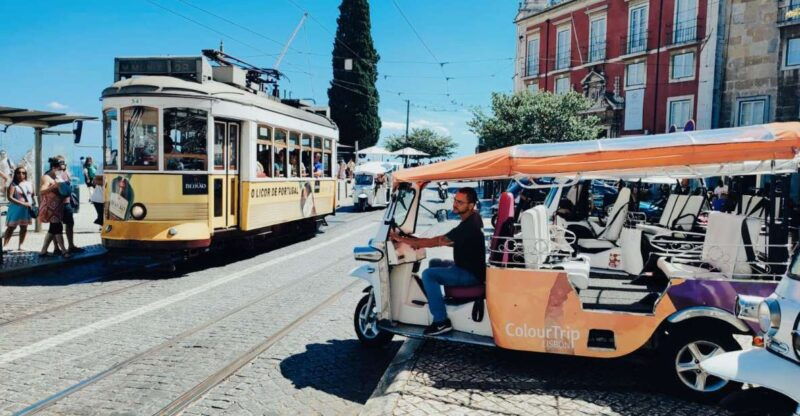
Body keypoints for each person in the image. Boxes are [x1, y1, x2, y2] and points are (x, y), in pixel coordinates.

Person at [389, 187, 485, 336]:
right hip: (470, 268)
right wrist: (414, 241)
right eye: (455, 200)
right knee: (434, 263)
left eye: (460, 202)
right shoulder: (473, 219)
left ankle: (441, 322)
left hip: (470, 274)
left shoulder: (469, 226)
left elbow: (438, 241)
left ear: (471, 205)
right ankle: (440, 303)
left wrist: (402, 239)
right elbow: (449, 241)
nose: (455, 204)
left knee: (428, 274)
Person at [38, 157, 70, 258]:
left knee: (53, 229)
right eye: (60, 169)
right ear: (54, 168)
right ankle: (64, 251)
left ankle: (43, 251)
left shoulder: (58, 176)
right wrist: (53, 186)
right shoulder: (46, 177)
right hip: (50, 208)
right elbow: (41, 191)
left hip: (58, 207)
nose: (62, 171)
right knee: (58, 228)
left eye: (63, 169)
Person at [54, 156, 83, 254]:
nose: (63, 164)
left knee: (70, 224)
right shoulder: (53, 174)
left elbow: (69, 184)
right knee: (56, 226)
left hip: (67, 202)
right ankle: (56, 247)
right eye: (61, 162)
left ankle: (71, 245)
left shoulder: (65, 172)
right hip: (57, 203)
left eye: (64, 162)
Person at [4, 167, 34, 250]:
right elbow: (9, 197)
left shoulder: (30, 183)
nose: (21, 174)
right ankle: (5, 246)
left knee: (24, 227)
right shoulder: (13, 184)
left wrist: (34, 204)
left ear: (25, 174)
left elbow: (32, 195)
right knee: (11, 227)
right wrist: (23, 203)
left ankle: (21, 245)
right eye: (19, 173)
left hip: (26, 209)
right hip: (15, 209)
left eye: (23, 173)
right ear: (16, 174)